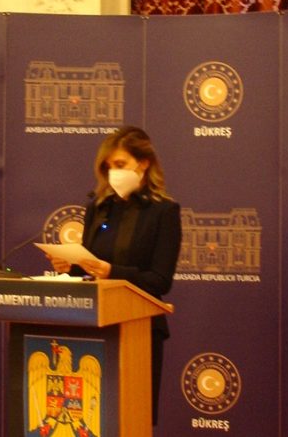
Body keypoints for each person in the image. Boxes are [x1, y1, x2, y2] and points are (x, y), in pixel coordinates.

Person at [47, 126, 182, 426]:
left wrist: (113, 272)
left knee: (131, 419)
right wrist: (70, 265)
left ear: (143, 163)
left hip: (140, 330)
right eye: (108, 167)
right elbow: (89, 267)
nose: (113, 174)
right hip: (93, 326)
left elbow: (160, 280)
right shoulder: (99, 209)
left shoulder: (164, 212)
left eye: (120, 165)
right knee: (93, 420)